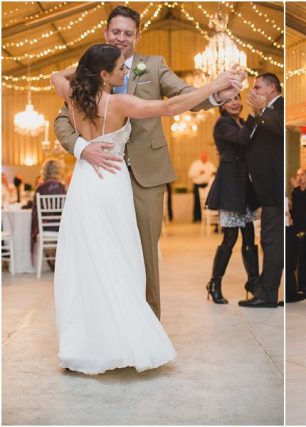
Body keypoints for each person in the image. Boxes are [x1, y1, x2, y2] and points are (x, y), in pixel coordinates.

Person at [50, 42, 243, 374]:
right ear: (104, 75)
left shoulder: (72, 95)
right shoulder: (118, 102)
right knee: (121, 259)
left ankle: (88, 342)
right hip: (112, 184)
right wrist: (214, 84)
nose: (126, 71)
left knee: (88, 261)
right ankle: (120, 340)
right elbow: (170, 108)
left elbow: (56, 74)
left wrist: (83, 70)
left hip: (84, 185)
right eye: (120, 68)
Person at [204, 93, 260, 304]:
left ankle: (253, 283)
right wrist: (255, 114)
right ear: (222, 105)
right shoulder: (222, 124)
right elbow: (242, 139)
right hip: (230, 186)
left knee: (249, 238)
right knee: (230, 238)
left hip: (245, 187)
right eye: (229, 100)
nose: (235, 102)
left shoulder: (243, 123)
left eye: (237, 98)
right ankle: (215, 283)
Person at [238, 73, 284, 308]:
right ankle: (265, 290)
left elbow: (280, 128)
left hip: (275, 188)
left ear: (271, 88)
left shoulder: (280, 108)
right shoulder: (263, 113)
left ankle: (267, 295)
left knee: (272, 242)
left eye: (257, 87)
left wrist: (263, 111)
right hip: (264, 190)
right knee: (269, 240)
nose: (253, 91)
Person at [31, 159, 67, 270]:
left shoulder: (40, 188)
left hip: (45, 227)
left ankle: (50, 258)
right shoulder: (62, 187)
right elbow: (66, 208)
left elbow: (35, 210)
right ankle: (56, 259)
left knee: (42, 226)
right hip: (60, 227)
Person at [287, 168, 306, 302]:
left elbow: (305, 205)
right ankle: (298, 286)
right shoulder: (295, 191)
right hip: (296, 228)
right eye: (297, 174)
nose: (299, 177)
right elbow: (296, 208)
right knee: (296, 257)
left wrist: (297, 188)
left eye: (302, 174)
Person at [189, 151, 217, 222]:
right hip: (198, 185)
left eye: (205, 157)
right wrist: (198, 173)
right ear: (201, 157)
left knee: (207, 201)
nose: (204, 158)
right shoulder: (195, 164)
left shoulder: (210, 164)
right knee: (197, 201)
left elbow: (215, 172)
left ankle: (206, 218)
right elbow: (190, 174)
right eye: (203, 157)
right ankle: (196, 217)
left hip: (207, 185)